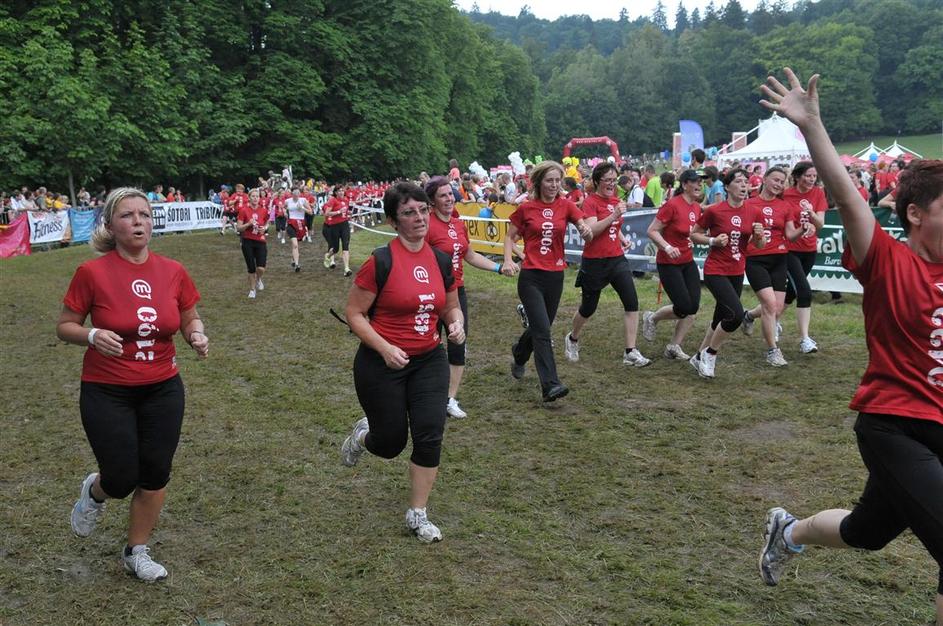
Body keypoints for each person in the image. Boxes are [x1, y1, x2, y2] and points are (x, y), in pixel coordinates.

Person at [756, 67, 943, 626]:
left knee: (868, 531)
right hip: (895, 424)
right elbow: (845, 194)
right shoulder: (887, 259)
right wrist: (812, 126)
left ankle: (788, 531)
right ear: (916, 215)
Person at [56, 187, 208, 582]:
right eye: (127, 215)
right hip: (107, 389)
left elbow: (189, 316)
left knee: (156, 472)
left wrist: (195, 334)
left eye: (144, 214)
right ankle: (95, 492)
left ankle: (136, 551)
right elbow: (65, 326)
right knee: (121, 477)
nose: (138, 221)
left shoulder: (173, 270)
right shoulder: (92, 273)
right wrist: (91, 335)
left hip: (163, 386)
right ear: (110, 225)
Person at [341, 182, 464, 543]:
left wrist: (455, 324)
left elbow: (450, 306)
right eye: (409, 212)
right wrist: (384, 348)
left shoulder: (440, 260)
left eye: (424, 210)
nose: (420, 218)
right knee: (391, 442)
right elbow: (354, 313)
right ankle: (363, 436)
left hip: (429, 360)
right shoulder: (380, 261)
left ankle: (418, 514)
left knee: (430, 434)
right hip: (382, 364)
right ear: (394, 221)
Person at [424, 177, 515, 419]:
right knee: (428, 344)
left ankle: (449, 399)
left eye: (450, 194)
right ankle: (426, 395)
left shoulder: (458, 223)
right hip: (431, 293)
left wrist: (499, 268)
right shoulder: (426, 225)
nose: (449, 199)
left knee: (458, 341)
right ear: (432, 201)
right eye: (442, 195)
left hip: (457, 293)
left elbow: (470, 255)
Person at [503, 161, 593, 402]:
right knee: (543, 330)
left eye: (557, 181)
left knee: (539, 327)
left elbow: (583, 226)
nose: (554, 185)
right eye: (549, 180)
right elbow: (510, 237)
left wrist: (585, 230)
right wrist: (508, 260)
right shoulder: (526, 208)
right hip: (531, 276)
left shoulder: (566, 205)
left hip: (555, 276)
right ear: (538, 182)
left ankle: (519, 353)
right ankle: (550, 384)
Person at [564, 162, 651, 367]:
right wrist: (614, 215)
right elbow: (591, 231)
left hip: (616, 259)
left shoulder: (615, 200)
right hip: (595, 262)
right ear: (597, 182)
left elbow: (613, 226)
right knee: (588, 308)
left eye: (614, 180)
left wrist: (622, 238)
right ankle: (572, 338)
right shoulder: (590, 202)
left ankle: (630, 351)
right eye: (607, 180)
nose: (612, 184)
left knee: (631, 302)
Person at [688, 168, 766, 378]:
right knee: (736, 315)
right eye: (739, 181)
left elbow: (759, 245)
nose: (744, 185)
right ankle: (710, 354)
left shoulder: (754, 211)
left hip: (737, 270)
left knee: (721, 317)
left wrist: (759, 236)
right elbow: (694, 234)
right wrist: (713, 240)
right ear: (727, 187)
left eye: (746, 182)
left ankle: (699, 356)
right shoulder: (715, 211)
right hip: (715, 270)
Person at [740, 167, 809, 366]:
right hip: (755, 260)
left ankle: (748, 316)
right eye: (775, 180)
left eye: (781, 181)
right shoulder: (749, 204)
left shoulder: (784, 206)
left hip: (779, 259)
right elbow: (742, 233)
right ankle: (773, 351)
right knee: (769, 305)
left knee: (776, 308)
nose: (778, 184)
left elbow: (790, 235)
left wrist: (802, 229)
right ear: (764, 179)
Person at [642, 169, 705, 361]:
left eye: (701, 182)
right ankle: (652, 318)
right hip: (668, 263)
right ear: (685, 184)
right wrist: (667, 247)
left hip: (687, 261)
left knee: (692, 307)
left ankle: (673, 347)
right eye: (696, 181)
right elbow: (652, 230)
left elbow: (694, 233)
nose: (700, 185)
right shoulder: (672, 205)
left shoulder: (696, 207)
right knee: (683, 306)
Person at [782, 161, 827, 354]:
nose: (811, 179)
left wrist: (811, 213)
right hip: (789, 250)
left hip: (809, 250)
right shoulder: (785, 195)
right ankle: (805, 339)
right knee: (804, 291)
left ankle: (751, 316)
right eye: (808, 176)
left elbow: (820, 224)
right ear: (797, 177)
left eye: (814, 176)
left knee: (790, 293)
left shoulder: (818, 193)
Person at [237, 189, 269, 298]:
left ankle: (258, 278)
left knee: (261, 268)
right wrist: (248, 224)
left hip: (260, 240)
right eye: (253, 196)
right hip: (247, 241)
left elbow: (267, 222)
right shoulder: (243, 210)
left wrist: (264, 228)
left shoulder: (263, 210)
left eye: (257, 196)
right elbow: (239, 228)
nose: (255, 198)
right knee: (251, 268)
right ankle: (252, 290)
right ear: (249, 198)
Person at [321, 185, 352, 276]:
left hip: (344, 225)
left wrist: (348, 213)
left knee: (345, 246)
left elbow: (345, 212)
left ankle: (346, 268)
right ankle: (328, 256)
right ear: (336, 192)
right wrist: (338, 212)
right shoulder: (333, 200)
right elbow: (327, 213)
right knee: (336, 249)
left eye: (342, 190)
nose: (341, 192)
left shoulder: (346, 200)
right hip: (334, 226)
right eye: (339, 191)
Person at [284, 188, 312, 272]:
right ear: (292, 193)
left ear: (300, 193)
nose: (296, 194)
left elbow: (310, 212)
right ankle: (297, 264)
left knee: (296, 244)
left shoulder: (303, 200)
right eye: (294, 192)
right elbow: (284, 208)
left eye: (298, 192)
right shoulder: (288, 201)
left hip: (300, 224)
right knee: (295, 244)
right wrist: (285, 212)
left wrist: (302, 208)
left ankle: (293, 258)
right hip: (291, 223)